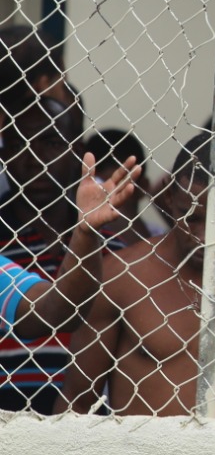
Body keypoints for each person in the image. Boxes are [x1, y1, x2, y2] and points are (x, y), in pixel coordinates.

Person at [60, 134, 215, 425]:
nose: (203, 237)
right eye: (190, 216)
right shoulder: (121, 277)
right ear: (169, 199)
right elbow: (76, 403)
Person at [0, 95, 140, 413]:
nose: (34, 158)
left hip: (90, 426)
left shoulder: (117, 251)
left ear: (77, 151)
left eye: (49, 142)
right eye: (20, 143)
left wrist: (86, 234)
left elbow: (58, 310)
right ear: (4, 154)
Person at [84, 129, 161, 246]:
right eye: (99, 187)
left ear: (143, 187)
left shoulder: (158, 236)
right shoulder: (81, 233)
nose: (102, 198)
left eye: (118, 187)